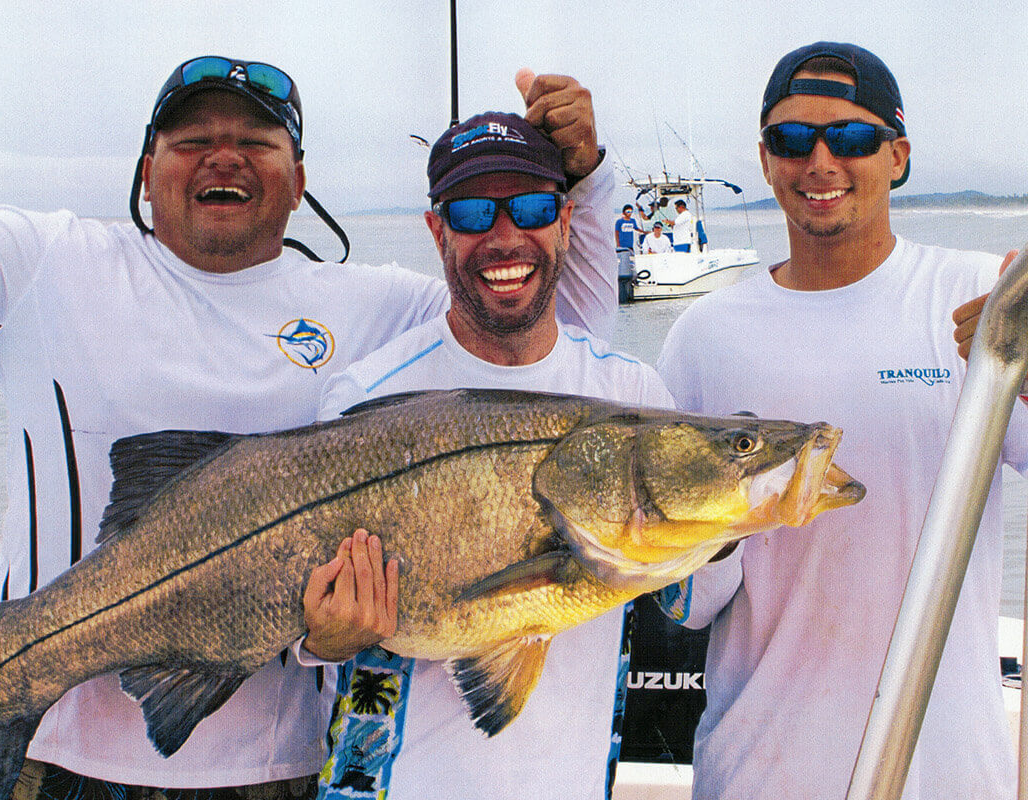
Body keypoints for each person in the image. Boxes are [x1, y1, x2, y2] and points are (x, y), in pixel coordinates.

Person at [0, 7, 619, 799]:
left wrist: (588, 175)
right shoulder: (49, 266)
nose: (224, 158)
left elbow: (554, 358)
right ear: (147, 169)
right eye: (193, 141)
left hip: (279, 768)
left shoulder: (375, 306)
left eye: (256, 142)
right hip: (61, 756)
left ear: (300, 179)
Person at [655, 41, 1028, 800]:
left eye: (852, 139)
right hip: (758, 772)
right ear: (765, 160)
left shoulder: (980, 301)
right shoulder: (704, 334)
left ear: (898, 156)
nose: (821, 161)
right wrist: (729, 519)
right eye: (793, 140)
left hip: (949, 774)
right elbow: (684, 607)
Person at [299, 110, 672, 800]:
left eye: (531, 208)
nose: (506, 238)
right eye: (473, 214)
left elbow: (693, 599)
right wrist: (319, 638)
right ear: (437, 231)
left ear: (565, 221)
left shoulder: (630, 393)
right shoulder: (363, 399)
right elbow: (302, 617)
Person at [615, 204, 640, 301]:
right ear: (624, 212)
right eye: (628, 211)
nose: (629, 213)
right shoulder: (619, 221)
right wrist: (618, 244)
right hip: (622, 246)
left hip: (630, 246)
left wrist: (645, 232)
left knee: (632, 262)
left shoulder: (633, 221)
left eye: (631, 212)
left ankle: (634, 278)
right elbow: (616, 233)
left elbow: (637, 229)